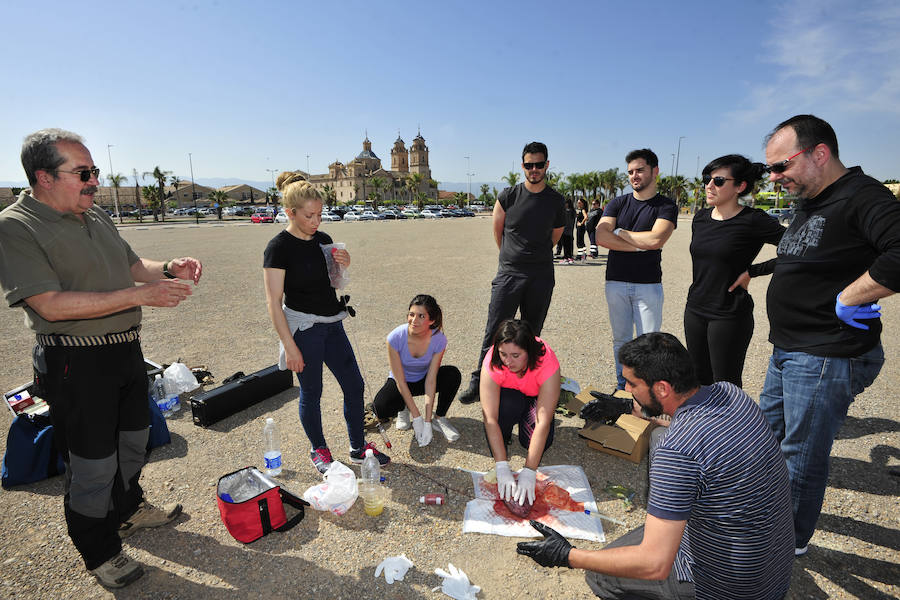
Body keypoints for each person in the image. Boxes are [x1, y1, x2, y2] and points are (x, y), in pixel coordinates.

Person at [0, 129, 202, 589]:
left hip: (125, 352)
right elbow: (48, 304)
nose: (93, 181)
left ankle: (127, 511)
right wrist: (141, 295)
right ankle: (100, 550)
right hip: (74, 363)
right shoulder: (16, 226)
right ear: (43, 177)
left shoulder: (95, 214)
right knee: (91, 463)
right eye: (83, 173)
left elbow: (134, 267)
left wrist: (170, 268)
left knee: (134, 441)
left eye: (94, 171)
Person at [517, 333, 794, 600]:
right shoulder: (730, 393)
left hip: (729, 589)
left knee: (599, 575)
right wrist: (629, 409)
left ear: (661, 388)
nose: (625, 389)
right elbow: (690, 430)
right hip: (772, 567)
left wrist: (568, 555)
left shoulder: (675, 452)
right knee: (659, 436)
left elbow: (654, 564)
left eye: (632, 384)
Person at [759, 114, 900, 556]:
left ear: (820, 153)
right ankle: (764, 516)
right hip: (788, 349)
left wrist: (852, 296)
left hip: (824, 354)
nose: (775, 177)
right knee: (764, 437)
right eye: (770, 170)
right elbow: (802, 258)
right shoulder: (812, 200)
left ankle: (789, 544)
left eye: (782, 166)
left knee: (801, 453)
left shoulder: (862, 196)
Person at [263, 171, 389, 476]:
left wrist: (343, 263)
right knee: (312, 391)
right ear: (290, 213)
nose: (317, 221)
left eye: (320, 214)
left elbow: (335, 282)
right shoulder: (278, 247)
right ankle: (318, 450)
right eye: (310, 215)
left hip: (333, 323)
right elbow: (273, 303)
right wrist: (290, 347)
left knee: (355, 385)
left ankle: (359, 448)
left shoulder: (323, 240)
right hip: (305, 329)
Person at [457, 142, 565, 405]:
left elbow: (556, 235)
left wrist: (534, 256)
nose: (534, 169)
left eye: (539, 164)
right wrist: (511, 258)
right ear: (523, 166)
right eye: (529, 165)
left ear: (547, 165)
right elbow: (498, 230)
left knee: (531, 332)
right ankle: (480, 381)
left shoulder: (556, 200)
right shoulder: (509, 196)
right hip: (509, 274)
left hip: (540, 276)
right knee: (494, 330)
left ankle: (524, 384)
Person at [684, 155, 784, 387]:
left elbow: (799, 247)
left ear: (740, 186)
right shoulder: (700, 219)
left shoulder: (753, 220)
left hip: (729, 315)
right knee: (699, 380)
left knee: (726, 384)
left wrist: (754, 271)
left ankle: (732, 423)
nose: (709, 185)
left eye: (718, 181)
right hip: (695, 309)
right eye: (707, 179)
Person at [595, 149, 677, 390]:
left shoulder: (666, 206)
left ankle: (648, 394)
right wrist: (639, 246)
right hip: (616, 283)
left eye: (640, 170)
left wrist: (621, 233)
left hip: (648, 285)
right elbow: (601, 235)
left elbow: (656, 240)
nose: (634, 176)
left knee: (650, 343)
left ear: (655, 171)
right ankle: (624, 388)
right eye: (630, 172)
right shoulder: (617, 203)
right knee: (620, 340)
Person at [479, 319, 560, 507]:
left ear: (529, 352)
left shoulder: (546, 362)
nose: (508, 361)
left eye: (516, 355)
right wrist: (501, 464)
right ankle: (504, 435)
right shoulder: (493, 361)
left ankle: (523, 419)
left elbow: (543, 422)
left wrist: (530, 470)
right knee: (507, 409)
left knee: (535, 442)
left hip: (535, 397)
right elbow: (489, 418)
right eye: (503, 354)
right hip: (509, 396)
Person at [371, 294, 462, 445]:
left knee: (452, 374)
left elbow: (431, 380)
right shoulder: (395, 338)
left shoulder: (439, 339)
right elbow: (400, 380)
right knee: (380, 408)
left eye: (421, 316)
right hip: (400, 381)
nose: (414, 320)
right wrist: (417, 417)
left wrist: (426, 422)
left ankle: (439, 418)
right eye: (411, 314)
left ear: (431, 320)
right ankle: (404, 408)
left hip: (424, 379)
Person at [558, 197, 576, 264]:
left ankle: (566, 259)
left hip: (564, 230)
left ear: (567, 204)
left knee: (565, 245)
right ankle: (570, 258)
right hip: (570, 231)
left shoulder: (566, 211)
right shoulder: (573, 211)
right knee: (569, 246)